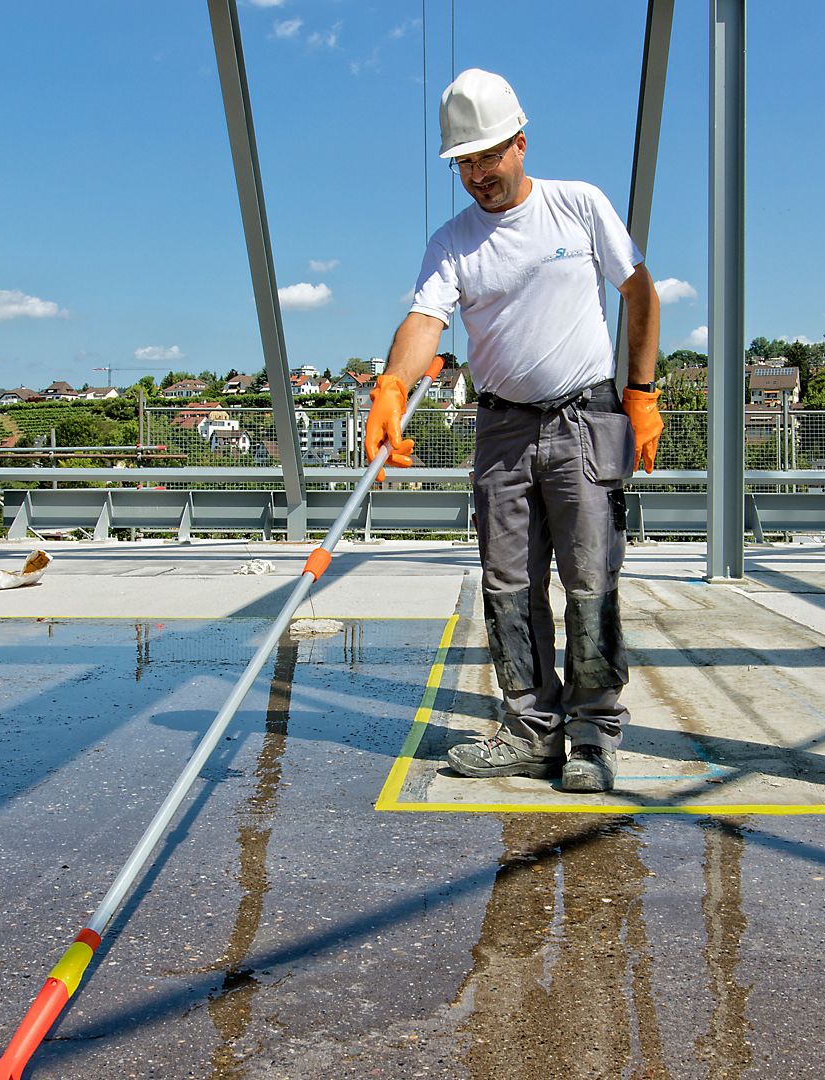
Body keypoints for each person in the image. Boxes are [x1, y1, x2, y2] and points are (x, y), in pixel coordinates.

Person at [366, 69, 663, 794]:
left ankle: (592, 736)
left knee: (590, 582)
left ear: (519, 144)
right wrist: (393, 381)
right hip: (501, 431)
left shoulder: (578, 205)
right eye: (463, 162)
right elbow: (423, 324)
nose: (476, 174)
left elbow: (639, 292)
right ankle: (533, 732)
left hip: (583, 420)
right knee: (508, 589)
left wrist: (642, 392)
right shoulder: (454, 242)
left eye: (487, 156)